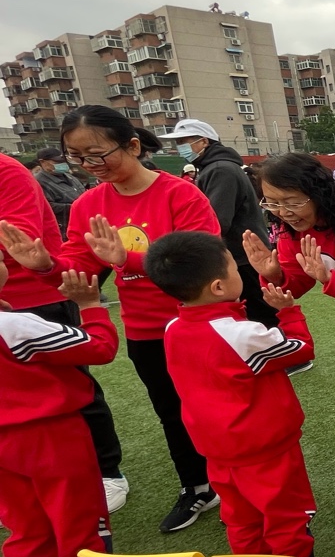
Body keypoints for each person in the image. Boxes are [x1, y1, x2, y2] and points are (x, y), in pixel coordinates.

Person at [0, 106, 222, 534]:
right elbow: (80, 266)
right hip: (145, 330)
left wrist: (130, 259)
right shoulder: (89, 204)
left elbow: (203, 263)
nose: (89, 165)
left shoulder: (179, 194)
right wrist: (46, 265)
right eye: (77, 156)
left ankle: (240, 482)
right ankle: (197, 486)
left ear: (133, 146)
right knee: (171, 412)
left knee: (216, 409)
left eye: (97, 154)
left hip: (198, 324)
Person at [144, 231, 335, 557]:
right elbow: (300, 348)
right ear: (219, 287)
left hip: (217, 450)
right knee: (286, 519)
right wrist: (288, 311)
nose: (241, 273)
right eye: (235, 269)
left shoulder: (173, 329)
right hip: (265, 449)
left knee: (241, 521)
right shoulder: (241, 333)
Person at [243, 153, 335, 507]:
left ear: (317, 191)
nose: (284, 212)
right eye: (273, 202)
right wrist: (274, 275)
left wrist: (330, 279)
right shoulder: (291, 232)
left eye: (292, 201)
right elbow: (297, 283)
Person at [0, 150, 128, 512]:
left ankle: (107, 471)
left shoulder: (7, 172)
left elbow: (19, 237)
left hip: (35, 297)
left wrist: (90, 306)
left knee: (72, 386)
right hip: (8, 305)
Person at [0, 264, 119, 557]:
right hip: (49, 433)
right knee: (77, 513)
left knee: (25, 523)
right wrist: (91, 306)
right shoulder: (14, 326)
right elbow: (99, 348)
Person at [166, 119, 275, 327]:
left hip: (242, 256)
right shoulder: (215, 167)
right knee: (253, 314)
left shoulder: (220, 169)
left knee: (259, 315)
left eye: (183, 141)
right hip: (242, 253)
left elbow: (216, 220)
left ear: (204, 141)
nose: (179, 147)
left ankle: (284, 347)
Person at [32, 148, 87, 234]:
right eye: (57, 162)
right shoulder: (39, 182)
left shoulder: (70, 177)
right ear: (43, 162)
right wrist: (76, 207)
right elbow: (47, 206)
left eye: (63, 161)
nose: (62, 164)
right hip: (64, 228)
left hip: (83, 223)